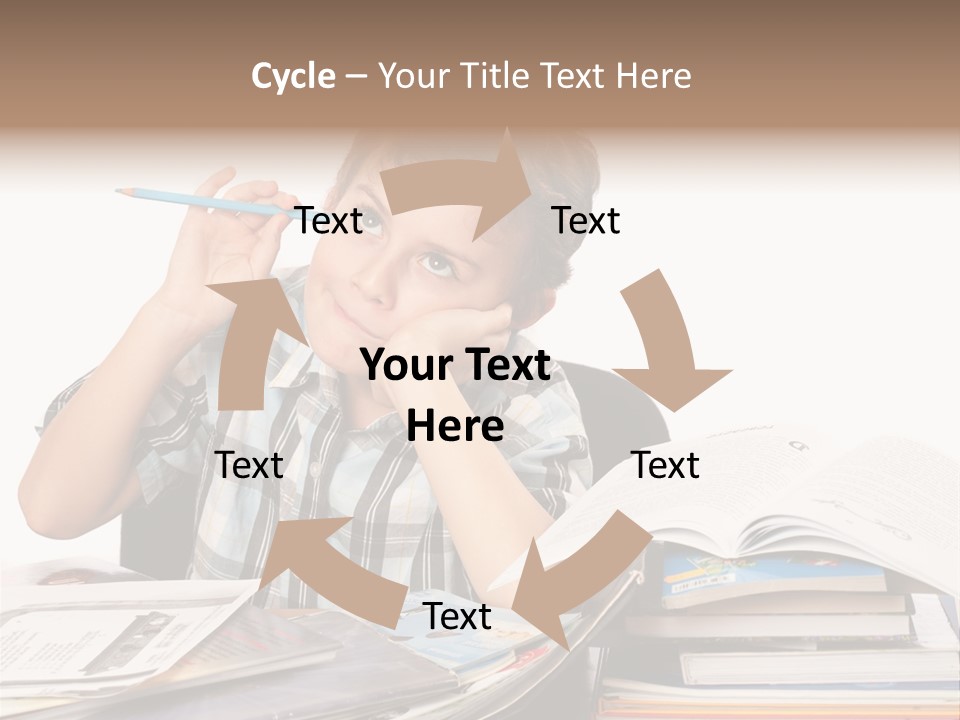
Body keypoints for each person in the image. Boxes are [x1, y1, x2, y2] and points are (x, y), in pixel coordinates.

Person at [18, 131, 600, 609]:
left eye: (437, 263)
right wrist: (174, 316)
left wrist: (421, 384)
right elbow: (52, 508)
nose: (370, 282)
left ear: (521, 310)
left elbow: (543, 600)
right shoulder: (255, 327)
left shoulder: (525, 404)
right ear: (330, 203)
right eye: (367, 220)